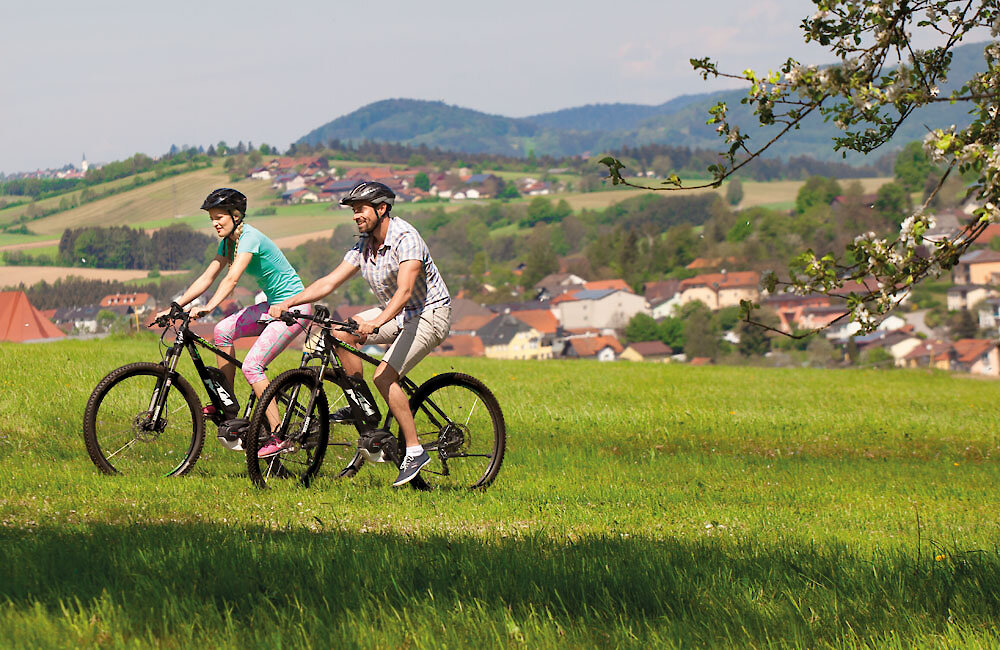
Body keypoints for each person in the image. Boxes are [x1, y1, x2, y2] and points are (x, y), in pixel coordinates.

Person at [269, 181, 451, 486]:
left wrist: (378, 321)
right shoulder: (364, 245)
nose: (355, 216)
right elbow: (328, 282)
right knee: (341, 333)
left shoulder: (406, 238)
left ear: (382, 209)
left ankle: (415, 451)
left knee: (384, 376)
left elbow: (405, 292)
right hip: (397, 314)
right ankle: (362, 405)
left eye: (360, 209)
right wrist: (289, 302)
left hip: (429, 314)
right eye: (353, 211)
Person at [152, 188, 311, 458]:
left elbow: (232, 278)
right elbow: (208, 276)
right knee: (222, 330)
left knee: (252, 366)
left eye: (220, 217)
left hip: (294, 308)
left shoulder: (249, 238)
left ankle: (278, 434)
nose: (215, 223)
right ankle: (227, 402)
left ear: (236, 216)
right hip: (271, 307)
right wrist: (175, 306)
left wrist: (209, 307)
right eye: (212, 218)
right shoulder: (228, 242)